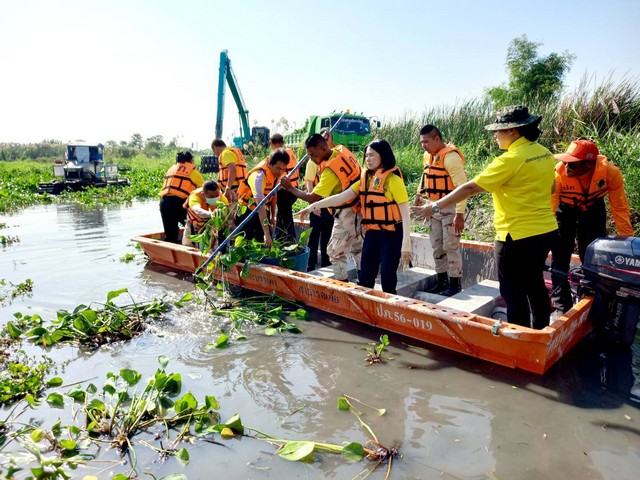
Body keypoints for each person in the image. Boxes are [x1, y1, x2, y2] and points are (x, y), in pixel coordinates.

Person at [412, 105, 558, 330]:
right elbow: (551, 188)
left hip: (516, 235)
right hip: (546, 231)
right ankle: (539, 333)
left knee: (512, 291)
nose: (495, 136)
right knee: (535, 285)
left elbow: (469, 188)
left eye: (498, 131)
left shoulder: (509, 160)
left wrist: (435, 207)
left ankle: (519, 336)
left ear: (512, 130)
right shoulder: (545, 154)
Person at [299, 140, 412, 294]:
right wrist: (312, 206)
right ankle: (364, 310)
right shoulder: (365, 180)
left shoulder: (393, 180)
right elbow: (341, 197)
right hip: (372, 233)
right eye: (366, 156)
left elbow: (406, 214)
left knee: (387, 278)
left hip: (391, 234)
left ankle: (387, 312)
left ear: (383, 156)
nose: (368, 159)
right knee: (365, 277)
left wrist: (406, 245)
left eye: (372, 155)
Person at [550, 139, 634, 313]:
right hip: (564, 211)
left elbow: (619, 208)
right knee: (560, 255)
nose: (566, 166)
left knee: (593, 254)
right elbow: (549, 207)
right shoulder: (558, 175)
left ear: (588, 164)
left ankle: (592, 294)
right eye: (565, 162)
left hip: (593, 209)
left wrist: (628, 242)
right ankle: (561, 304)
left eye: (572, 164)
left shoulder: (610, 173)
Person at [282, 134, 362, 282]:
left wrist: (290, 188)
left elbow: (313, 197)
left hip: (347, 212)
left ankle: (342, 285)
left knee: (334, 252)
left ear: (323, 148)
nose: (311, 159)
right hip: (360, 207)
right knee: (358, 247)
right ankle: (365, 281)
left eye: (313, 154)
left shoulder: (330, 171)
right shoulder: (341, 150)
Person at [416, 125, 468, 296]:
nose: (423, 145)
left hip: (450, 208)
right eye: (421, 142)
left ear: (437, 139)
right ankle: (441, 282)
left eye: (426, 141)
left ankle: (454, 285)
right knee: (437, 246)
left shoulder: (450, 158)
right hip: (433, 207)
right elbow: (426, 175)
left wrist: (459, 214)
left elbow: (463, 188)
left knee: (450, 247)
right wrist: (419, 193)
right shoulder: (428, 156)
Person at [236, 149, 289, 247]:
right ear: (269, 163)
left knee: (262, 243)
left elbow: (273, 193)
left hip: (262, 211)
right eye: (278, 168)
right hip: (247, 212)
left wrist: (273, 216)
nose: (280, 172)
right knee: (247, 243)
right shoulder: (259, 177)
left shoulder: (276, 174)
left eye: (283, 169)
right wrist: (267, 234)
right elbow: (260, 205)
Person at [303, 128, 335, 270]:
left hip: (329, 202)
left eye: (328, 138)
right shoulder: (313, 162)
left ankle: (326, 262)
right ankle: (311, 263)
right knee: (314, 234)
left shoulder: (333, 158)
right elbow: (309, 182)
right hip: (316, 201)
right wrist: (313, 204)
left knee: (328, 233)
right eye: (324, 137)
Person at [159, 151, 204, 243]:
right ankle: (196, 248)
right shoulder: (193, 172)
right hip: (180, 203)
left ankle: (170, 251)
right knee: (194, 227)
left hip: (164, 203)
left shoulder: (171, 169)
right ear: (191, 160)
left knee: (171, 234)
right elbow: (204, 190)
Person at [269, 133, 298, 243]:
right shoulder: (290, 152)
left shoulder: (279, 156)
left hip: (284, 191)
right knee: (281, 215)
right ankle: (279, 239)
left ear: (273, 143)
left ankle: (291, 242)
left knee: (286, 218)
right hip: (293, 189)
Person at [182, 180, 229, 247]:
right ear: (203, 195)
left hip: (211, 226)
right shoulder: (195, 195)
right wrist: (211, 214)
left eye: (216, 195)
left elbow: (226, 214)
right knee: (187, 245)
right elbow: (197, 210)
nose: (215, 198)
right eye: (211, 196)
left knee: (211, 247)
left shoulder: (222, 198)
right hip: (194, 224)